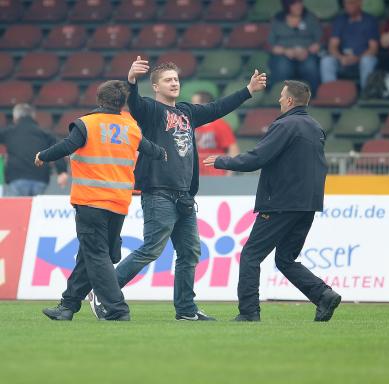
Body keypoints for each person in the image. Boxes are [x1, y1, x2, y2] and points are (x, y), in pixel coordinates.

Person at [89, 57, 267, 321]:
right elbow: (135, 102)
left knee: (189, 253)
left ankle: (186, 310)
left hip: (184, 197)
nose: (174, 83)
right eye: (168, 80)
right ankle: (104, 291)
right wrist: (131, 80)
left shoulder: (187, 112)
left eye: (176, 79)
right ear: (156, 87)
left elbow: (217, 107)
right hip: (158, 192)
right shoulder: (150, 110)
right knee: (151, 249)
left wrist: (248, 91)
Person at [204, 80, 341, 322]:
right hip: (308, 203)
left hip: (281, 203)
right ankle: (323, 295)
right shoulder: (315, 127)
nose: (278, 99)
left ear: (289, 101)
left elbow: (256, 158)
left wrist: (222, 161)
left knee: (251, 255)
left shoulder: (286, 125)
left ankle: (248, 312)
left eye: (281, 96)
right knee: (286, 259)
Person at [38, 80, 167, 321]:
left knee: (97, 256)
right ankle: (68, 306)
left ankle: (117, 309)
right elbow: (152, 150)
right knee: (89, 255)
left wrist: (42, 156)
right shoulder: (130, 127)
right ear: (122, 102)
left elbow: (67, 146)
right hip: (118, 203)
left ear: (100, 99)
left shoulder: (87, 123)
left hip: (91, 202)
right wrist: (164, 152)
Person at [0, 103, 68, 196]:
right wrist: (62, 171)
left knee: (19, 209)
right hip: (40, 179)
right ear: (33, 116)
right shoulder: (44, 133)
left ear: (15, 117)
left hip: (16, 177)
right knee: (35, 209)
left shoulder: (9, 132)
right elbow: (58, 147)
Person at [320, 0, 379, 90]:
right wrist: (341, 58)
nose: (348, 6)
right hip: (343, 60)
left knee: (367, 60)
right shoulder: (340, 20)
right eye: (346, 3)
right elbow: (332, 46)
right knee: (327, 61)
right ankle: (331, 94)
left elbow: (373, 48)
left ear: (360, 3)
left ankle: (366, 95)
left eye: (351, 3)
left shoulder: (369, 20)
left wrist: (357, 58)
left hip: (362, 60)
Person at [268, 0, 322, 93]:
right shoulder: (277, 19)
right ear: (287, 5)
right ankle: (277, 95)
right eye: (294, 4)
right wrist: (285, 51)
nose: (298, 6)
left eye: (300, 3)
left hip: (306, 54)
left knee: (310, 66)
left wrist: (307, 50)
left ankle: (314, 96)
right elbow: (270, 44)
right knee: (282, 66)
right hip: (284, 55)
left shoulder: (310, 17)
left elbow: (319, 41)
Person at [191, 91, 240, 176]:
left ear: (205, 105)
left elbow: (233, 149)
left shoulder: (220, 124)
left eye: (194, 104)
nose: (191, 107)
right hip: (195, 174)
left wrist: (229, 174)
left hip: (216, 174)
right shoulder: (190, 124)